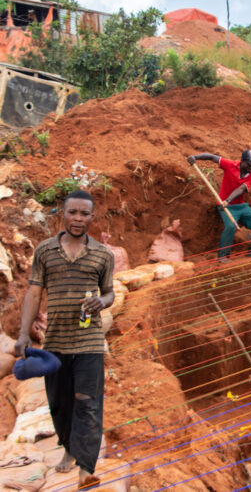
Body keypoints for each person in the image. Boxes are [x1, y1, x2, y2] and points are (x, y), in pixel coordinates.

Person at [14, 190, 114, 490]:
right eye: (73, 212)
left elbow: (109, 291)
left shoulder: (102, 254)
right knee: (59, 403)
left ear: (92, 217)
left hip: (89, 341)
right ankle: (69, 447)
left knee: (88, 401)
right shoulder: (45, 250)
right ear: (63, 213)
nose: (78, 219)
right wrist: (22, 334)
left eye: (85, 214)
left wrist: (103, 302)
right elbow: (34, 292)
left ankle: (86, 469)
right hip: (55, 342)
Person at [187, 149, 251, 262]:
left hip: (240, 206)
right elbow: (211, 157)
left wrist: (228, 199)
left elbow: (241, 189)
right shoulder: (230, 165)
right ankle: (223, 256)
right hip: (225, 206)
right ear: (243, 161)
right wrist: (195, 157)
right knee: (231, 226)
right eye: (250, 164)